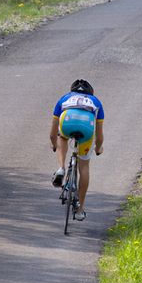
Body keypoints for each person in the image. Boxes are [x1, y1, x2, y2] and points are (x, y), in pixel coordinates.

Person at [49, 79, 104, 221]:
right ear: (90, 93)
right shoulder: (96, 102)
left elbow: (52, 132)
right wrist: (98, 148)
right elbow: (99, 134)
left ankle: (61, 168)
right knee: (84, 166)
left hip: (67, 123)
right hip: (86, 128)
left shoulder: (65, 98)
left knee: (62, 137)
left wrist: (54, 144)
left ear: (72, 91)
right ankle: (80, 210)